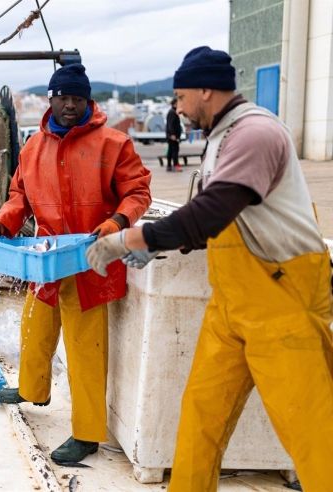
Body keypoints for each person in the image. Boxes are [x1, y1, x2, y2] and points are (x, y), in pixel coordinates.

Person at [86, 46, 333, 491]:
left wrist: (132, 239)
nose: (177, 108)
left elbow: (213, 211)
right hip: (232, 305)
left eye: (180, 97)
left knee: (312, 429)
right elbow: (218, 221)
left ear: (205, 90)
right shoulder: (222, 136)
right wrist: (162, 245)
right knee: (201, 413)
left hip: (282, 302)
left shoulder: (256, 133)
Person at [0, 63, 151, 464]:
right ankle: (31, 390)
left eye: (78, 98)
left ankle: (87, 434)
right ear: (51, 99)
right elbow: (19, 196)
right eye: (63, 98)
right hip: (45, 260)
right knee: (34, 327)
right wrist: (3, 221)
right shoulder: (32, 148)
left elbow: (138, 191)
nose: (70, 105)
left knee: (84, 350)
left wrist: (117, 222)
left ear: (87, 100)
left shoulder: (114, 143)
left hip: (89, 262)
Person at [165, 97, 182, 172]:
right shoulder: (172, 112)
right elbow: (170, 124)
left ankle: (169, 166)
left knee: (171, 150)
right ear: (175, 104)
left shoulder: (173, 111)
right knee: (174, 150)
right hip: (172, 136)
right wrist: (172, 134)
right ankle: (175, 165)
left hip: (172, 135)